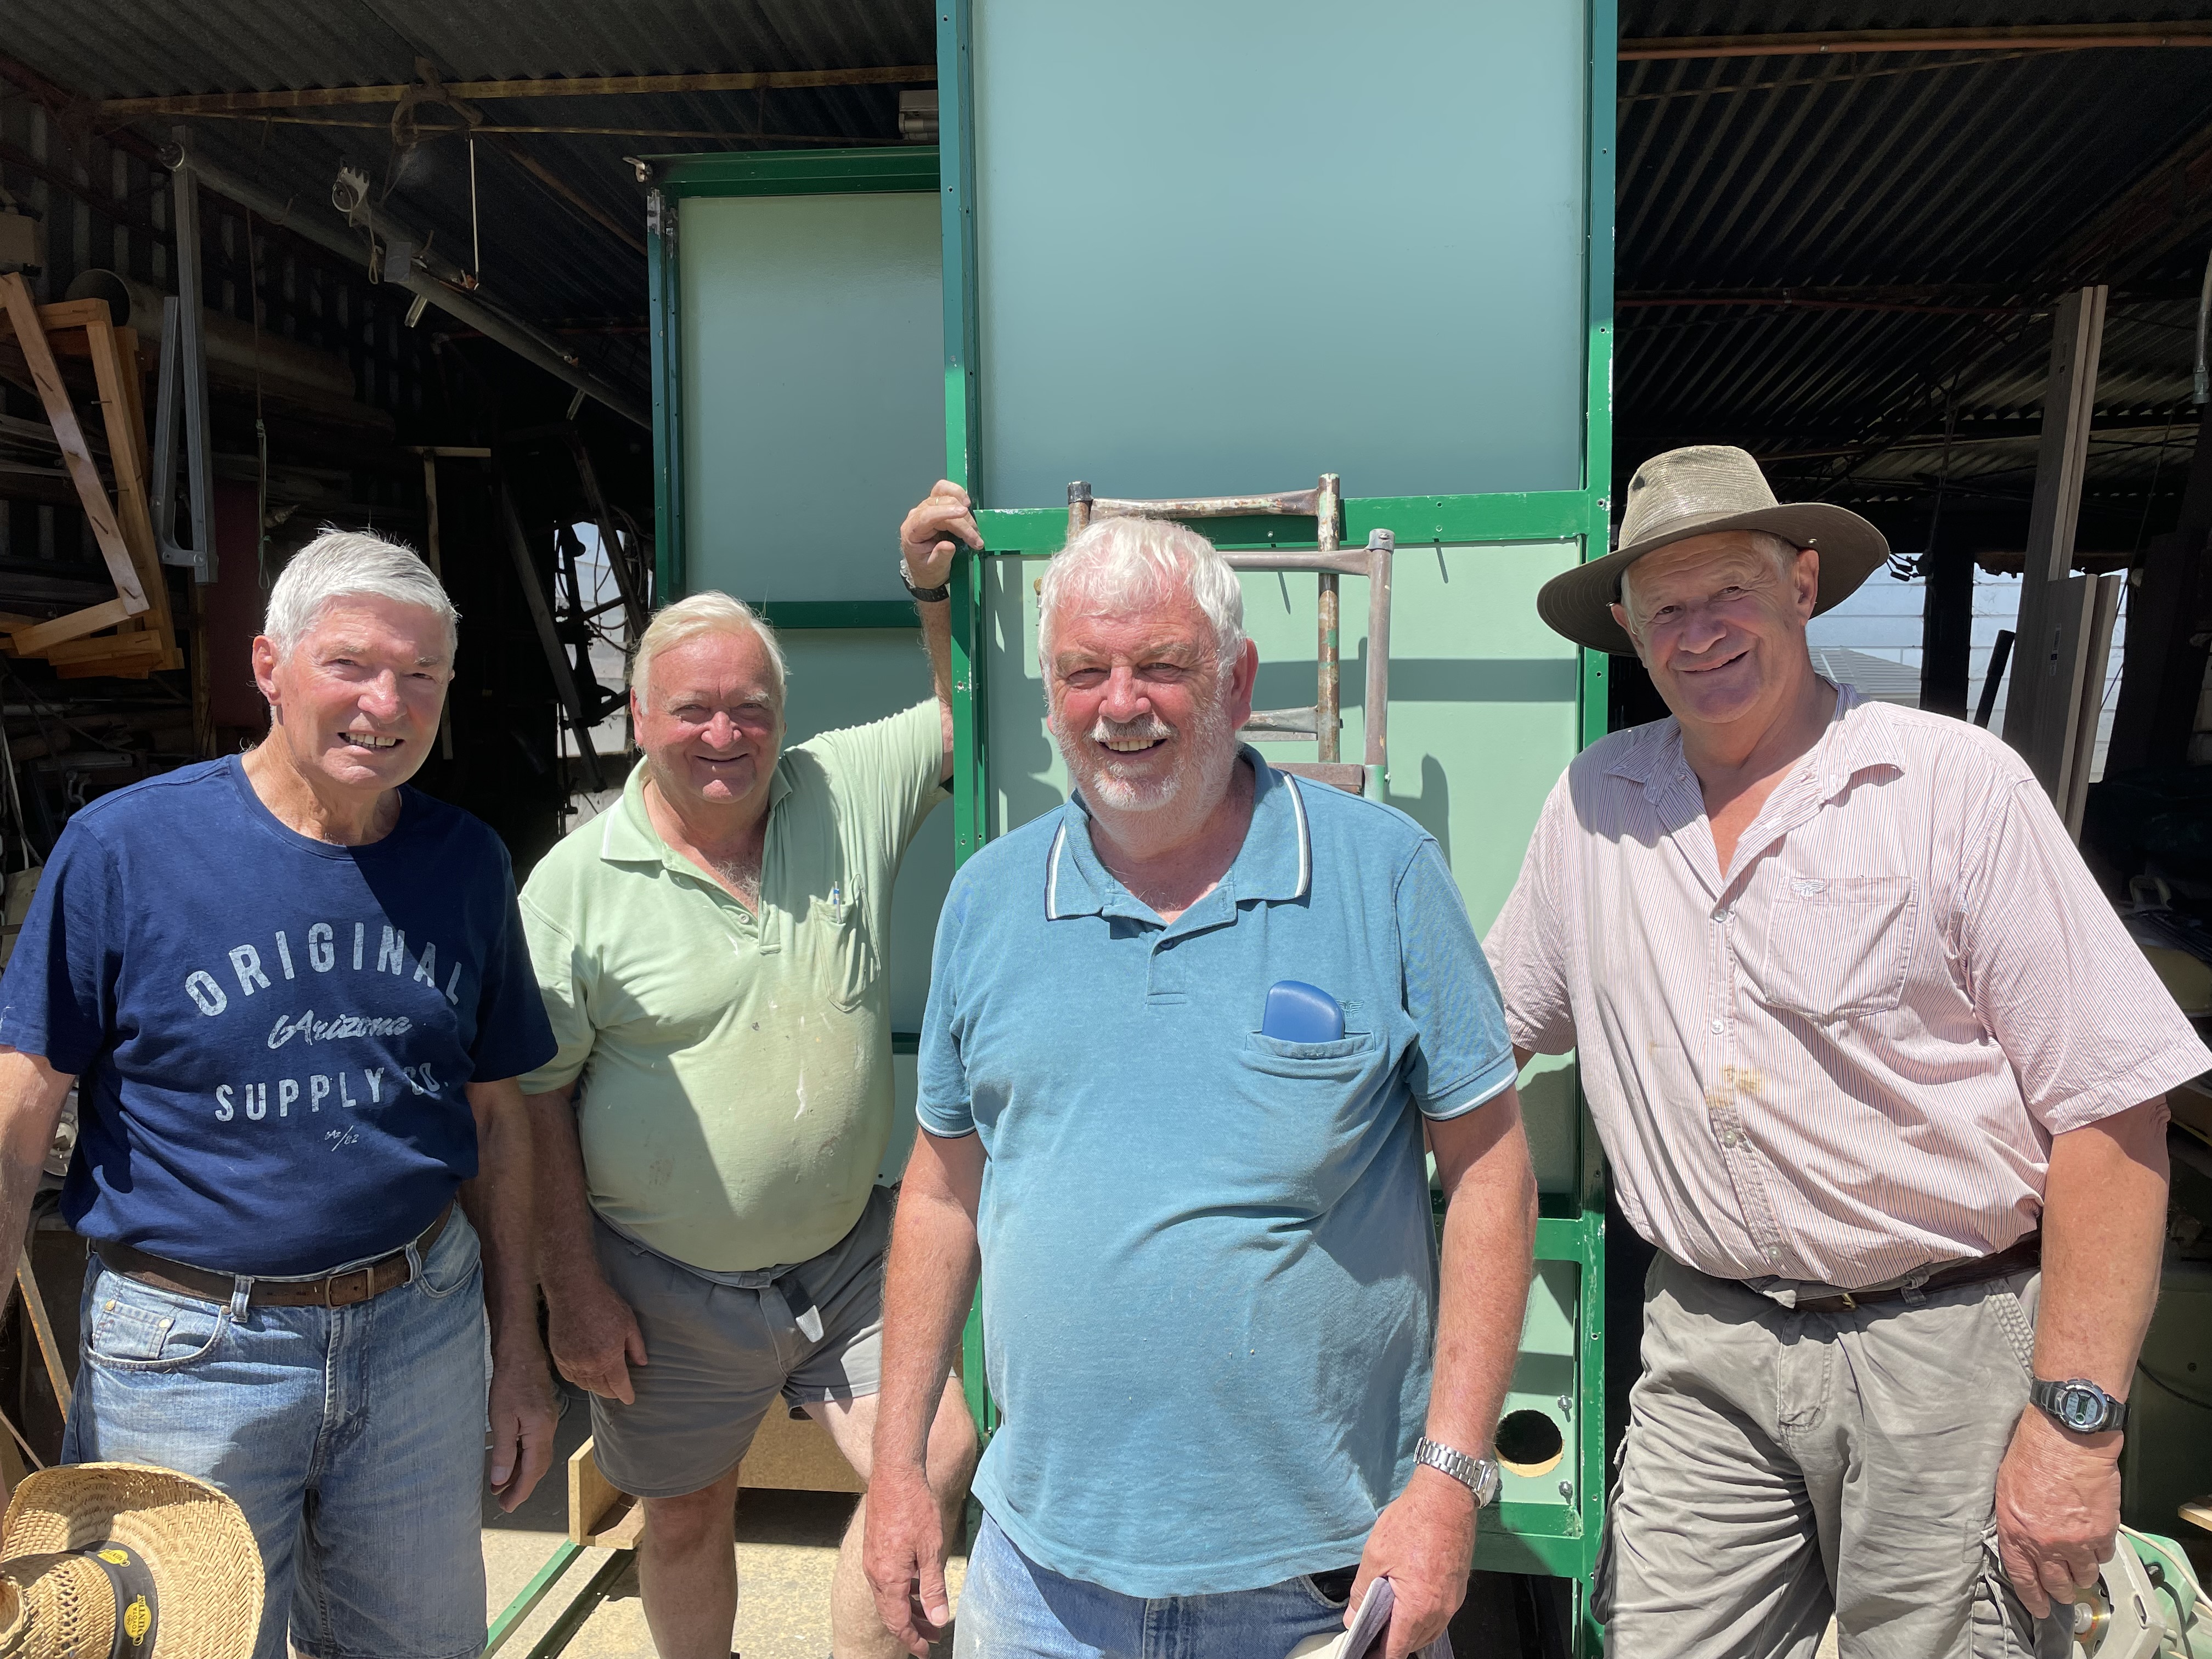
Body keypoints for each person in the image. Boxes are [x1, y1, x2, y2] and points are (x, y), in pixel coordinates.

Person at [1485, 444, 2209, 1657]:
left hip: (1948, 1345)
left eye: (1733, 593)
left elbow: (2114, 1116)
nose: (1701, 632)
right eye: (1668, 606)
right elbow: (1482, 1027)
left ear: (1805, 586)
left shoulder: (1952, 789)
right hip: (1711, 1344)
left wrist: (2077, 1428)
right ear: (1625, 623)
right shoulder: (1596, 802)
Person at [864, 507, 1539, 1659]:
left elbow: (1490, 1173)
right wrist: (897, 1471)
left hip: (1320, 1587)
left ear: (1236, 676)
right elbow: (938, 1192)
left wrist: (1448, 1484)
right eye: (1084, 671)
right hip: (1040, 1586)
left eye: (1162, 666)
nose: (1120, 704)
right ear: (1050, 692)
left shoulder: (1381, 878)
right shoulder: (987, 901)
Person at [0, 530, 559, 1659]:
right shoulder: (126, 850)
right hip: (188, 1352)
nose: (385, 704)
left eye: (421, 676)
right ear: (269, 667)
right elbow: (23, 1101)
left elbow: (498, 1117)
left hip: (417, 1333)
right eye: (350, 665)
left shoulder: (465, 865)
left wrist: (522, 1355)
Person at [519, 485, 982, 1659]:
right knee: (683, 1519)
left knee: (930, 1462)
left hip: (848, 1254)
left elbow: (968, 712)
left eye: (749, 709)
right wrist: (572, 1294)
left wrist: (930, 592)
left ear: (784, 713)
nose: (725, 735)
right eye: (695, 711)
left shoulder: (840, 790)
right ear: (638, 712)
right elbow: (534, 1109)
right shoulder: (575, 886)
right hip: (661, 1280)